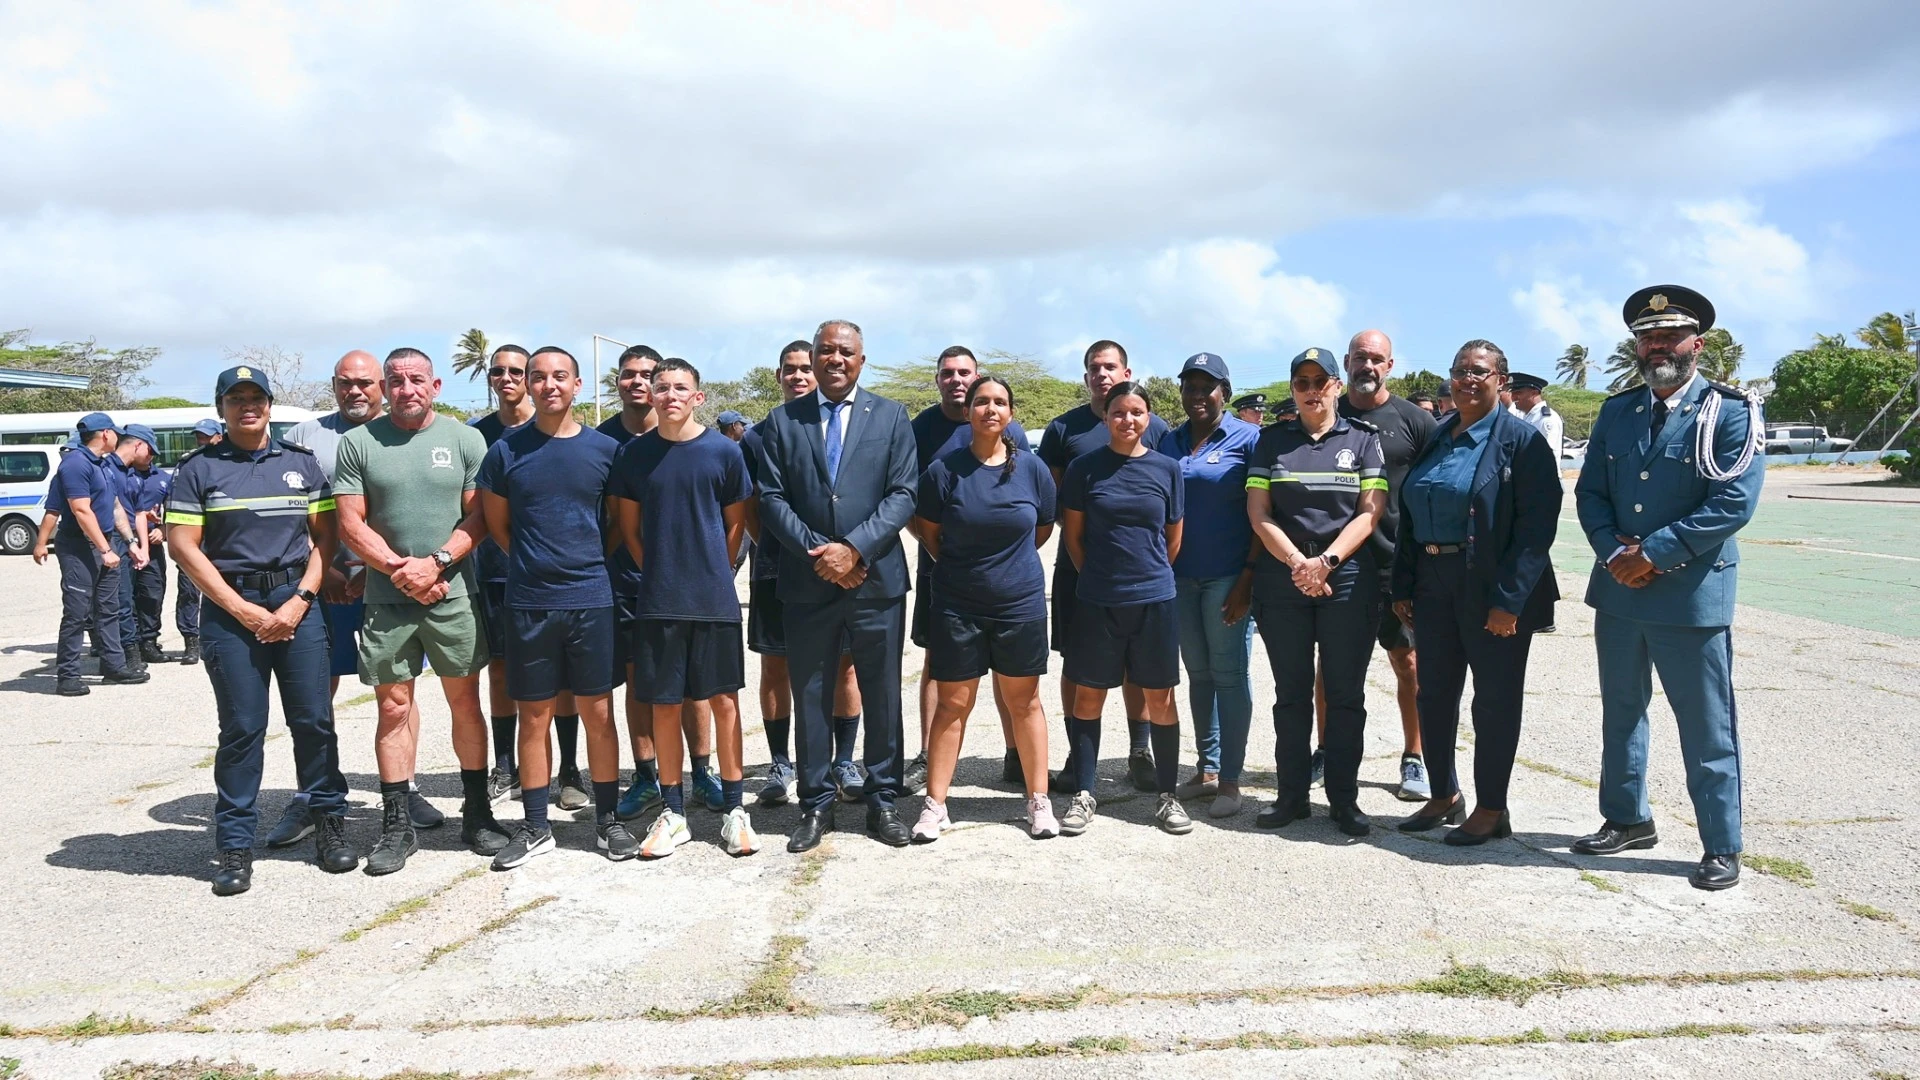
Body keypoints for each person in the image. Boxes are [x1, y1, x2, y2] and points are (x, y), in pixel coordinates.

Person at [1573, 285, 1764, 891]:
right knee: (1622, 712)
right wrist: (1613, 552)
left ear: (1696, 345)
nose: (1657, 345)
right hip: (1621, 592)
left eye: (1670, 335)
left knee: (1705, 724)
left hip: (1689, 594)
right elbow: (1591, 495)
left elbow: (1734, 501)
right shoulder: (1617, 411)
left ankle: (1721, 843)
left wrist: (1652, 554)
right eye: (1647, 337)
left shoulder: (1730, 411)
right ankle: (1627, 818)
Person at [164, 365, 356, 894]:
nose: (248, 405)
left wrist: (301, 601)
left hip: (297, 600)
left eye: (256, 397)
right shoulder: (198, 468)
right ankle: (234, 847)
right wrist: (241, 609)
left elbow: (325, 542)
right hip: (232, 608)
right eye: (236, 398)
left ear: (269, 404)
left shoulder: (300, 463)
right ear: (222, 405)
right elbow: (183, 547)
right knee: (243, 730)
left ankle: (329, 826)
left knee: (313, 721)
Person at [335, 347, 510, 875]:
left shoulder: (464, 439)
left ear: (435, 386)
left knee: (465, 703)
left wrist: (436, 564)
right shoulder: (358, 442)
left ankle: (476, 814)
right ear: (384, 389)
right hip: (387, 600)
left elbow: (479, 515)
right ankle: (396, 826)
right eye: (396, 380)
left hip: (453, 594)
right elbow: (351, 522)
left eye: (416, 379)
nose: (406, 388)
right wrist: (399, 571)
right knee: (392, 708)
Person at [755, 319, 919, 852]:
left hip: (876, 579)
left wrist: (854, 549)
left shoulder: (892, 416)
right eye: (824, 351)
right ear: (813, 356)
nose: (834, 359)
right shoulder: (783, 421)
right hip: (808, 581)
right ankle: (817, 803)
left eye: (844, 352)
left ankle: (883, 801)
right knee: (811, 693)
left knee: (882, 693)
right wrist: (819, 552)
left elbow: (903, 494)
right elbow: (771, 498)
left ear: (861, 359)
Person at [1392, 340, 1561, 844]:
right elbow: (1410, 510)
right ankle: (1443, 795)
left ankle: (1491, 808)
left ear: (1500, 381)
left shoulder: (1521, 442)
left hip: (1491, 590)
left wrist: (1509, 601)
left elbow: (1536, 528)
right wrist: (1405, 583)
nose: (1467, 379)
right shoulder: (1439, 434)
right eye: (1460, 370)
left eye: (1479, 372)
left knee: (1493, 702)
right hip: (1432, 582)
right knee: (1435, 693)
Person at [266, 349, 430, 850]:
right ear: (333, 386)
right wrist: (330, 570)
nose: (355, 391)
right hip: (325, 585)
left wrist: (384, 570)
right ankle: (316, 794)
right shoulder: (303, 438)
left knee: (398, 691)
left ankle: (406, 789)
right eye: (344, 383)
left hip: (391, 585)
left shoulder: (406, 433)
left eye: (364, 383)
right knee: (317, 692)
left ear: (381, 385)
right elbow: (290, 512)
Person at [478, 347, 633, 866]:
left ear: (578, 385)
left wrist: (581, 562)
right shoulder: (505, 451)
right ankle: (537, 825)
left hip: (591, 598)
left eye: (559, 377)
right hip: (529, 601)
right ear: (527, 383)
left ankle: (608, 822)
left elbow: (615, 523)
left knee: (599, 714)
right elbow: (498, 528)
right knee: (534, 717)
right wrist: (535, 563)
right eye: (537, 377)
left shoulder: (605, 450)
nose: (548, 386)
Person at [610, 358, 758, 857]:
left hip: (714, 599)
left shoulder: (724, 453)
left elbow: (736, 525)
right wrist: (662, 572)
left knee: (724, 703)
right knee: (665, 706)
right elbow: (628, 531)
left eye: (681, 388)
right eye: (662, 387)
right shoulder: (634, 456)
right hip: (657, 600)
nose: (670, 395)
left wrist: (713, 571)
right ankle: (673, 813)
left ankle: (736, 809)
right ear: (650, 395)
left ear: (698, 397)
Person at [912, 375, 1059, 840]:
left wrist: (1006, 568)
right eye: (981, 402)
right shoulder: (943, 471)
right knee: (953, 704)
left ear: (1011, 414)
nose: (989, 410)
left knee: (1025, 702)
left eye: (999, 402)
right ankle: (935, 805)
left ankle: (1038, 801)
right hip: (957, 604)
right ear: (969, 411)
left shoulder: (1032, 470)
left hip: (1020, 604)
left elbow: (1042, 530)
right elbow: (930, 533)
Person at [1246, 348, 1385, 837]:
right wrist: (1298, 563)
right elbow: (1259, 513)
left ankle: (1344, 801)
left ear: (1336, 387)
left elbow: (1369, 513)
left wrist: (1326, 562)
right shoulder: (1271, 443)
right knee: (1291, 695)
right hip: (1284, 577)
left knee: (1345, 696)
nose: (1310, 390)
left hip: (1345, 577)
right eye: (1301, 381)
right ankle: (1291, 797)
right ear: (1293, 389)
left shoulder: (1364, 441)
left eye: (1319, 381)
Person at [1037, 342, 1171, 794]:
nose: (1101, 374)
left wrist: (1146, 571)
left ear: (1126, 370)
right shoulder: (1063, 429)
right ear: (1085, 376)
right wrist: (1088, 568)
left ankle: (1140, 750)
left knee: (1140, 668)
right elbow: (1057, 503)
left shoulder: (1158, 430)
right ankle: (1080, 755)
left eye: (1109, 366)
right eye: (1093, 368)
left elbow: (1169, 520)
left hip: (1141, 576)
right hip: (1082, 571)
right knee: (1077, 666)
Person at [1057, 380, 1186, 835]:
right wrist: (1099, 577)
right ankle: (1085, 793)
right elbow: (1073, 537)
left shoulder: (1168, 469)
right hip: (1097, 600)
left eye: (1136, 412)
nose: (1127, 420)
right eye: (1118, 413)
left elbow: (1172, 538)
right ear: (1106, 417)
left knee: (1161, 698)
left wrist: (1145, 575)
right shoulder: (1084, 469)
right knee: (1089, 696)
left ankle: (1167, 796)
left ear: (1147, 417)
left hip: (1154, 599)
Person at [740, 341, 864, 808]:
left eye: (803, 369)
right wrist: (796, 547)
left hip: (844, 566)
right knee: (776, 665)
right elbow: (754, 507)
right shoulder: (760, 434)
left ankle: (845, 760)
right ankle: (779, 762)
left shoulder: (846, 426)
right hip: (776, 568)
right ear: (779, 376)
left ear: (815, 373)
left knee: (844, 665)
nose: (797, 377)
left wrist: (838, 554)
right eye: (788, 370)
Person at [908, 345, 1031, 793]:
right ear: (937, 379)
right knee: (937, 658)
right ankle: (928, 755)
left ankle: (1016, 754)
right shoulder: (920, 428)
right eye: (948, 373)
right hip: (940, 563)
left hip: (1006, 574)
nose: (957, 380)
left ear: (977, 377)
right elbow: (908, 499)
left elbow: (1033, 506)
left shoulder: (1008, 426)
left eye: (965, 373)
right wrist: (938, 549)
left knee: (1008, 664)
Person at [1338, 330, 1438, 802]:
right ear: (1347, 361)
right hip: (1336, 567)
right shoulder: (1327, 415)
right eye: (1360, 357)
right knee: (1331, 666)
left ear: (1391, 365)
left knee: (1410, 664)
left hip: (1395, 565)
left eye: (1377, 359)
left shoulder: (1415, 421)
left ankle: (1414, 757)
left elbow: (1435, 492)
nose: (1368, 366)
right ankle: (1326, 749)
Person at [1158, 353, 1258, 819]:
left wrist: (1248, 579)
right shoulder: (1169, 439)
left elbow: (1263, 513)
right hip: (1179, 578)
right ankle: (1208, 769)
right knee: (1198, 676)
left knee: (1230, 675)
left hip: (1227, 577)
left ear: (1226, 392)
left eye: (1208, 387)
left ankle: (1232, 781)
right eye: (1190, 387)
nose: (1198, 395)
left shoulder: (1249, 438)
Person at [469, 346, 554, 807]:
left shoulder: (554, 428)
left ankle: (567, 770)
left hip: (555, 576)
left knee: (559, 678)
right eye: (497, 371)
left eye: (515, 371)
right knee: (501, 669)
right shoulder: (476, 435)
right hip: (497, 573)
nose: (506, 378)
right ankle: (506, 766)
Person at [50, 412, 147, 696]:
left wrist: (130, 543)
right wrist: (104, 550)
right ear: (105, 434)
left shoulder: (103, 464)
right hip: (80, 546)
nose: (118, 437)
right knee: (77, 612)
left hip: (106, 542)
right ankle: (67, 676)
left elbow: (115, 506)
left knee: (109, 608)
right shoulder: (75, 464)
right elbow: (81, 510)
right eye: (115, 433)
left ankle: (114, 667)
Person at [106, 424, 159, 670]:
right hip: (113, 542)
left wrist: (142, 548)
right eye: (150, 450)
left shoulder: (130, 474)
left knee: (129, 600)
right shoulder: (107, 470)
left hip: (129, 543)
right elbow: (112, 513)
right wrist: (128, 543)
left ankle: (131, 652)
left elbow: (137, 513)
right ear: (137, 445)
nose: (151, 457)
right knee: (118, 602)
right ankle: (123, 656)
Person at [175, 418, 224, 665]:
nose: (202, 441)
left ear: (219, 436)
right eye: (199, 437)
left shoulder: (230, 464)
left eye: (207, 436)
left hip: (221, 543)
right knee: (188, 592)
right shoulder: (188, 465)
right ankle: (191, 642)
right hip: (194, 541)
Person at [1508, 372, 1564, 461]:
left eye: (1518, 393)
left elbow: (1545, 455)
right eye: (1512, 393)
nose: (1513, 398)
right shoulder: (1527, 416)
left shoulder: (1546, 419)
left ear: (1534, 393)